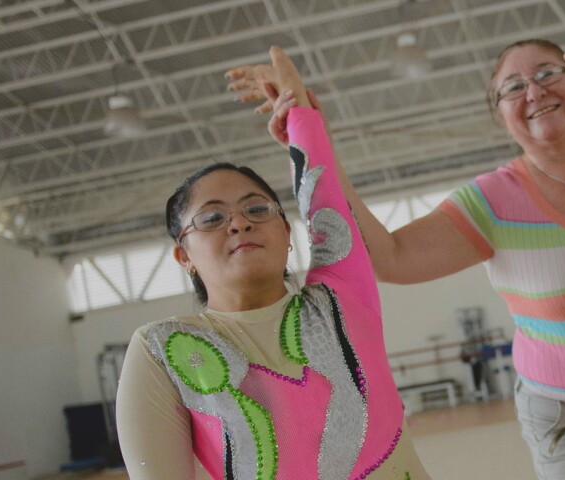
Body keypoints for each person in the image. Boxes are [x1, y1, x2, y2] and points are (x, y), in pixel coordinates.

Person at [225, 40, 565, 479]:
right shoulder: (492, 201)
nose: (534, 91)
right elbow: (391, 256)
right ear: (500, 115)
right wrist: (311, 135)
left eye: (550, 72)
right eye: (512, 87)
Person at [116, 47, 430, 479]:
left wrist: (299, 111)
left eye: (257, 210)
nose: (239, 224)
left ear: (287, 233)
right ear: (184, 256)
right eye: (212, 218)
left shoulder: (341, 300)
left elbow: (325, 199)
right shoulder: (163, 350)